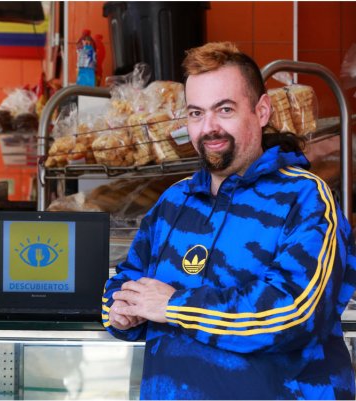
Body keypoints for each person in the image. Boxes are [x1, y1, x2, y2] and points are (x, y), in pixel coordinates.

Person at [102, 42, 356, 400]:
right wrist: (119, 312)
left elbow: (296, 315)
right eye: (195, 113)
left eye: (224, 109)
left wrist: (174, 306)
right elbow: (126, 279)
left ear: (261, 110)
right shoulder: (174, 201)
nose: (209, 128)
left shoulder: (306, 198)